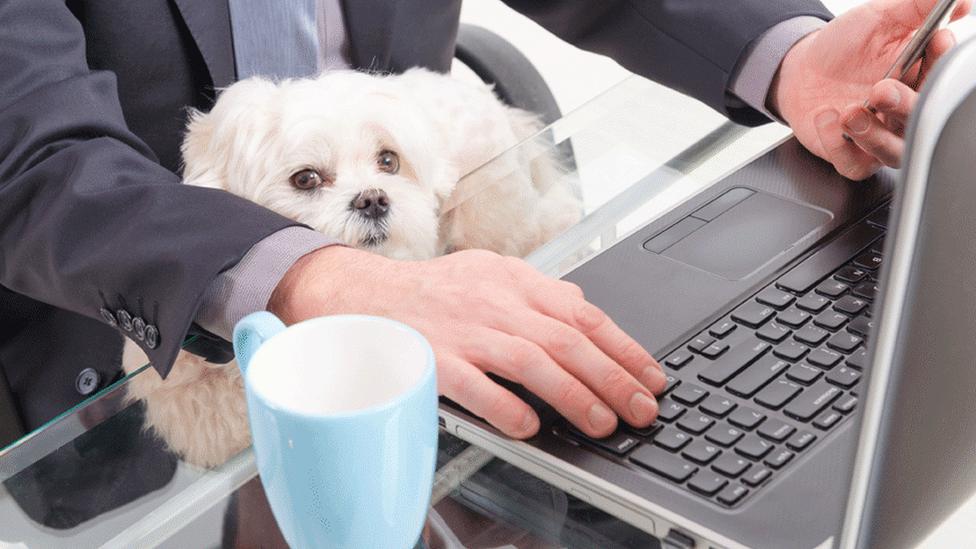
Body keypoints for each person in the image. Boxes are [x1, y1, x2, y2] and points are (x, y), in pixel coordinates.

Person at [0, 0, 969, 451]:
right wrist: (329, 280)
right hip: (110, 360)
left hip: (446, 293)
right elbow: (35, 159)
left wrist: (785, 59)